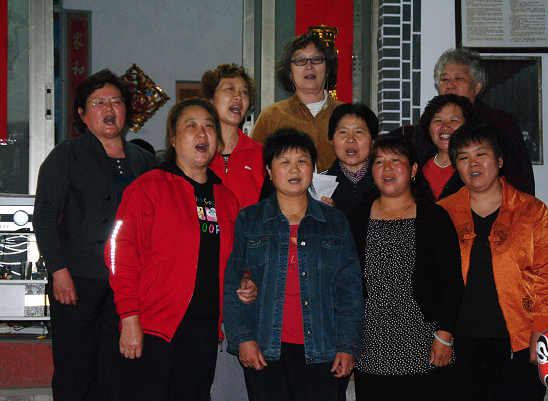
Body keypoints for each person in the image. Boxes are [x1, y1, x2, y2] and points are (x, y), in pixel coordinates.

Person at [104, 98, 257, 401]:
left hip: (205, 330)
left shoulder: (226, 198)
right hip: (153, 328)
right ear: (173, 139)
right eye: (191, 126)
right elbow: (119, 253)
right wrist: (130, 317)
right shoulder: (148, 188)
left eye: (209, 127)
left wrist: (246, 279)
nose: (202, 134)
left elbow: (237, 257)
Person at [32, 69, 157, 401]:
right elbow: (44, 215)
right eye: (99, 102)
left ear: (126, 111)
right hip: (77, 280)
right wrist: (58, 271)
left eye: (116, 101)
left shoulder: (145, 161)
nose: (109, 108)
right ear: (82, 114)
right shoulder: (67, 154)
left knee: (118, 370)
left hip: (129, 283)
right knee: (75, 369)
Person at [223, 128, 364, 401]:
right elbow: (231, 282)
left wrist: (348, 346)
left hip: (323, 350)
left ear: (312, 168)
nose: (294, 169)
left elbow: (350, 290)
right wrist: (243, 339)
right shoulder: (249, 220)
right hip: (264, 349)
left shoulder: (334, 222)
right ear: (269, 170)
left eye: (302, 160)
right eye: (284, 161)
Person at [438, 122, 548, 401]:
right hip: (458, 343)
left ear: (499, 160)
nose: (473, 163)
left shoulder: (532, 211)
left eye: (481, 154)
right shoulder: (441, 213)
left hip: (519, 341)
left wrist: (542, 330)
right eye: (463, 157)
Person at [346, 134, 464, 401]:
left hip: (424, 342)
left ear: (413, 170)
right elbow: (345, 283)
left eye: (395, 160)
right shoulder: (357, 217)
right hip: (370, 343)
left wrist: (445, 335)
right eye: (379, 161)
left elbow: (452, 282)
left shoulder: (434, 217)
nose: (387, 168)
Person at [412, 47, 535, 196]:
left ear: (477, 87)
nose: (450, 85)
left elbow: (521, 179)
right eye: (444, 79)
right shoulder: (427, 126)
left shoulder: (501, 123)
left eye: (458, 79)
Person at [251, 33, 343, 172]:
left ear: (328, 69)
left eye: (316, 59)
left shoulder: (346, 114)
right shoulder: (271, 116)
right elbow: (254, 167)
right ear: (289, 73)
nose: (309, 66)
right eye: (300, 60)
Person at [200, 63, 265, 208]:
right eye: (230, 89)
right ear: (210, 98)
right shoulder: (197, 152)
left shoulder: (262, 154)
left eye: (244, 92)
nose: (238, 97)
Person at [415, 94, 478, 200]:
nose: (445, 127)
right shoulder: (416, 166)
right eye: (438, 120)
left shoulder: (476, 166)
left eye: (454, 120)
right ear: (428, 127)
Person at [321, 103, 378, 215]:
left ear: (373, 140)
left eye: (359, 132)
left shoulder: (385, 180)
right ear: (331, 140)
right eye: (343, 132)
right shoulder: (320, 185)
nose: (351, 139)